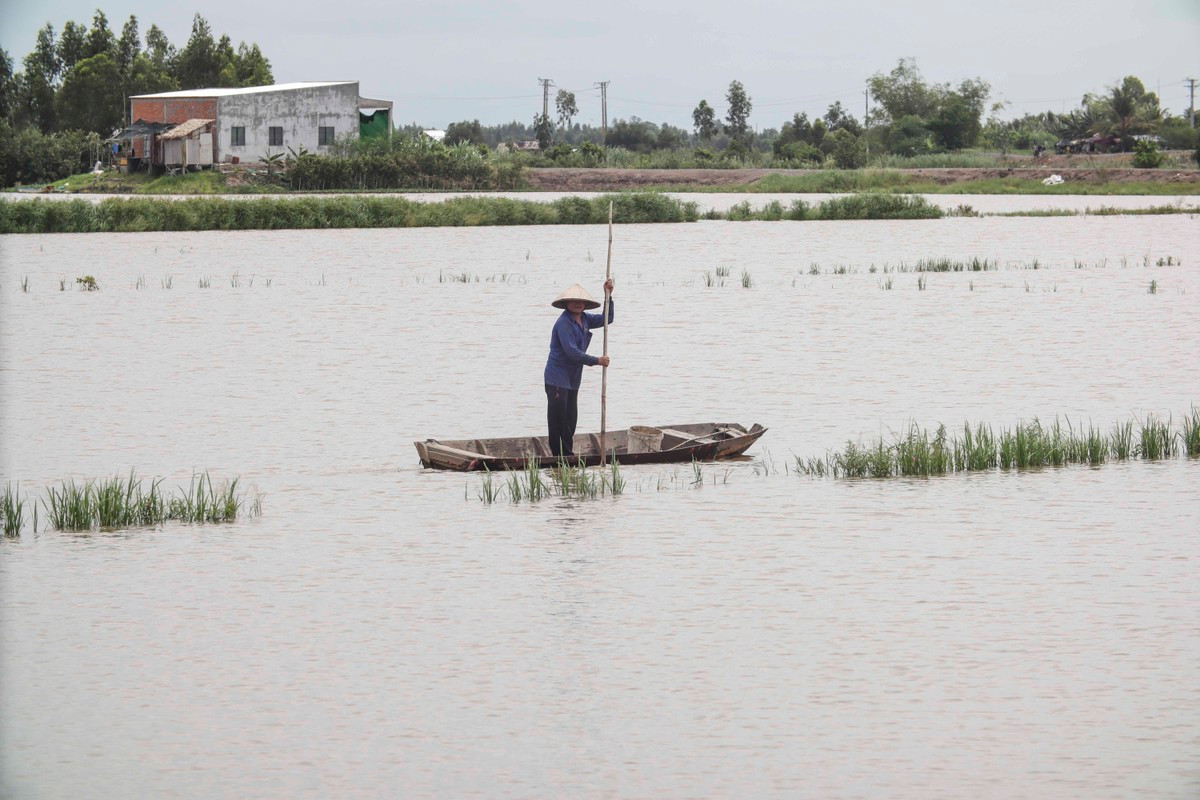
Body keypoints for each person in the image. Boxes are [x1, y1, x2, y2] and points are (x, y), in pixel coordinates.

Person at [544, 279, 615, 458]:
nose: (577, 304)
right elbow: (572, 353)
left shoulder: (585, 318)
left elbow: (608, 319)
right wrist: (597, 360)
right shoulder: (564, 323)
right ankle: (558, 457)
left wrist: (609, 296)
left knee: (570, 420)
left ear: (585, 304)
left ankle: (566, 455)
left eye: (581, 301)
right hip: (557, 379)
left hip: (573, 379)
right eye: (574, 301)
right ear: (566, 304)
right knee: (558, 421)